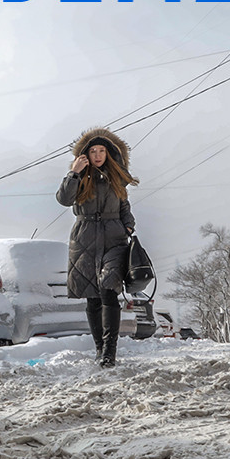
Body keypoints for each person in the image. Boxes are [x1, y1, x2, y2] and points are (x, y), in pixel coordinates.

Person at [56, 126, 139, 367]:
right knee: (92, 298)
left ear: (109, 153)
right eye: (93, 151)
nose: (99, 155)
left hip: (114, 239)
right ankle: (100, 348)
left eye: (102, 150)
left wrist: (128, 227)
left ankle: (110, 352)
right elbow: (63, 199)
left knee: (108, 290)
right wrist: (74, 173)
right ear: (86, 154)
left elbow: (125, 207)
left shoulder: (117, 177)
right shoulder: (79, 176)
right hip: (84, 240)